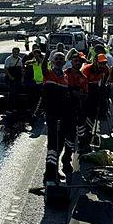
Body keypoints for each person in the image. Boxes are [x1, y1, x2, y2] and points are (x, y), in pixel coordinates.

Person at [41, 52, 76, 182]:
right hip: (51, 115)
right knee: (52, 145)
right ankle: (49, 173)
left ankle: (55, 169)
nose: (59, 60)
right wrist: (46, 56)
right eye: (57, 58)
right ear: (52, 61)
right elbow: (44, 66)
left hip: (62, 115)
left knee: (59, 143)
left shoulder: (65, 77)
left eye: (61, 59)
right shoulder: (48, 73)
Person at [79, 54, 109, 152]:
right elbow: (82, 84)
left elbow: (105, 79)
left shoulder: (105, 69)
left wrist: (103, 88)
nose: (103, 65)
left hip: (95, 91)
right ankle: (82, 142)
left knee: (92, 117)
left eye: (104, 63)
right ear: (95, 62)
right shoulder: (86, 70)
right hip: (85, 92)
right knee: (83, 120)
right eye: (101, 63)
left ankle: (88, 138)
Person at [24, 46, 45, 118]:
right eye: (34, 54)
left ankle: (42, 110)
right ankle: (34, 110)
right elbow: (26, 63)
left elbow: (46, 66)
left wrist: (39, 60)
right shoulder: (34, 61)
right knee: (35, 97)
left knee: (42, 97)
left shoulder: (43, 61)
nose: (35, 56)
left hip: (42, 82)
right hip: (36, 81)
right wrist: (33, 61)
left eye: (37, 54)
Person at [4, 47, 25, 113]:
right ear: (12, 52)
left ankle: (14, 108)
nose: (16, 53)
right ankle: (9, 109)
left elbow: (21, 69)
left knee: (16, 94)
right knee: (11, 94)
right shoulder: (8, 59)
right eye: (15, 51)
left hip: (17, 79)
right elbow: (6, 69)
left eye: (17, 52)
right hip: (11, 79)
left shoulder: (20, 59)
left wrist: (22, 78)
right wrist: (10, 76)